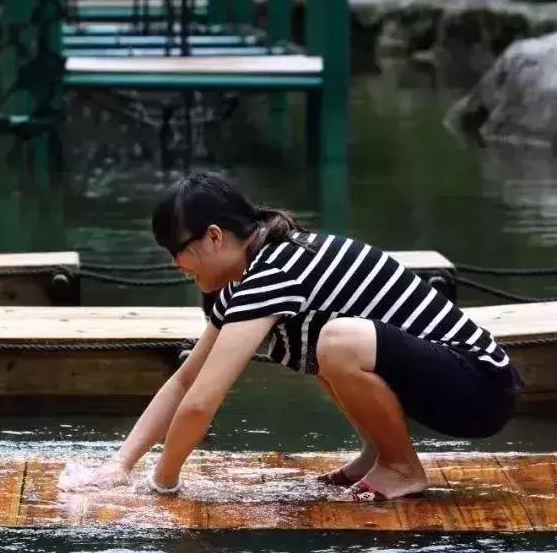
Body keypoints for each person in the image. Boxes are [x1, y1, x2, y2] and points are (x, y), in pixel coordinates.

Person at [65, 172, 523, 502]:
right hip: (452, 382)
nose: (174, 264)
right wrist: (119, 466)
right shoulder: (246, 279)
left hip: (479, 386)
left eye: (178, 251)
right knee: (329, 343)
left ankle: (402, 467)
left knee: (336, 342)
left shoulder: (274, 269)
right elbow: (185, 381)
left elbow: (203, 402)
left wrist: (161, 485)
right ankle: (377, 454)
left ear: (213, 237)